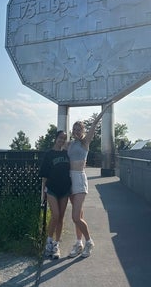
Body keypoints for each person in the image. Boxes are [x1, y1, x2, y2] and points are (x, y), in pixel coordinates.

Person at [67, 103, 112, 258]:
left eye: (80, 129)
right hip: (69, 179)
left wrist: (104, 110)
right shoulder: (69, 144)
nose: (77, 131)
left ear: (83, 131)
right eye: (75, 129)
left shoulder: (85, 143)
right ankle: (79, 243)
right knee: (78, 214)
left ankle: (89, 241)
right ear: (72, 131)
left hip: (79, 178)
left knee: (75, 217)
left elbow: (94, 125)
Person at [39, 130, 71, 259]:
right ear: (55, 138)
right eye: (60, 137)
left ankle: (56, 245)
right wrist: (43, 192)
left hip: (65, 189)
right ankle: (49, 243)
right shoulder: (49, 154)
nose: (62, 140)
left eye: (64, 138)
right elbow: (44, 175)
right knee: (55, 215)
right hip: (51, 188)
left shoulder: (66, 154)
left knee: (61, 217)